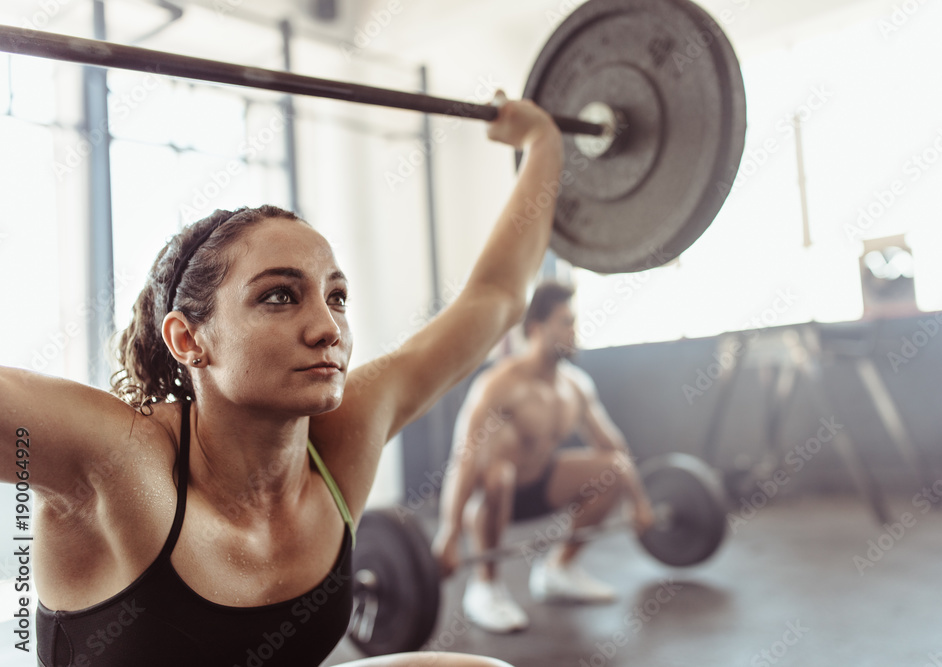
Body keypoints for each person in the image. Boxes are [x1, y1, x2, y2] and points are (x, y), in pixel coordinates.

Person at [0, 92, 561, 667]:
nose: (328, 328)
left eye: (336, 297)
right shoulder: (119, 459)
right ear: (189, 340)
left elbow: (494, 298)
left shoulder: (345, 436)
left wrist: (543, 145)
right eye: (278, 296)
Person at [431, 282, 657, 634]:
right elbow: (465, 458)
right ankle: (485, 587)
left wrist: (639, 502)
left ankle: (559, 571)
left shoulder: (575, 386)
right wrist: (449, 532)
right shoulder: (499, 384)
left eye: (574, 321)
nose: (574, 331)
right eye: (565, 322)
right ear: (536, 328)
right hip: (491, 498)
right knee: (499, 474)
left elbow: (614, 447)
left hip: (542, 486)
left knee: (613, 470)